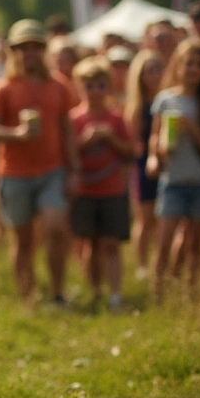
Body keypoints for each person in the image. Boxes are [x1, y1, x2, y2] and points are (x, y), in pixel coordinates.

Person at [0, 19, 80, 305]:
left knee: (56, 228)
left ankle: (58, 293)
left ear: (44, 50)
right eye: (24, 48)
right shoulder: (3, 88)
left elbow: (68, 129)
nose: (30, 53)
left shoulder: (59, 86)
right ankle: (28, 296)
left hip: (52, 170)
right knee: (22, 241)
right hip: (14, 173)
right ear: (14, 51)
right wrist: (16, 134)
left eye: (35, 47)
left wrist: (75, 169)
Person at [149, 40, 200, 295]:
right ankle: (158, 294)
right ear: (177, 66)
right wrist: (160, 151)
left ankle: (189, 293)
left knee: (194, 244)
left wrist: (192, 129)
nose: (193, 69)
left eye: (199, 65)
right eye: (188, 63)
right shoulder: (165, 99)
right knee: (164, 241)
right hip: (172, 181)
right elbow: (155, 139)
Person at [69, 58, 134, 309]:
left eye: (100, 85)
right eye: (89, 86)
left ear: (108, 87)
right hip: (84, 190)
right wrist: (85, 141)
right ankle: (95, 290)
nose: (95, 92)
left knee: (111, 242)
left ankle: (115, 293)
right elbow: (68, 153)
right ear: (79, 88)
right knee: (90, 242)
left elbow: (129, 152)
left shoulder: (117, 119)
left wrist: (111, 138)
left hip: (113, 189)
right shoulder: (73, 119)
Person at [125, 49, 165, 280]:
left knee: (162, 220)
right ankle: (141, 265)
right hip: (142, 167)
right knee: (145, 219)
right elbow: (133, 143)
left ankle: (159, 262)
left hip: (166, 165)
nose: (153, 75)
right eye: (148, 70)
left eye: (157, 69)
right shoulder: (136, 107)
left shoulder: (169, 100)